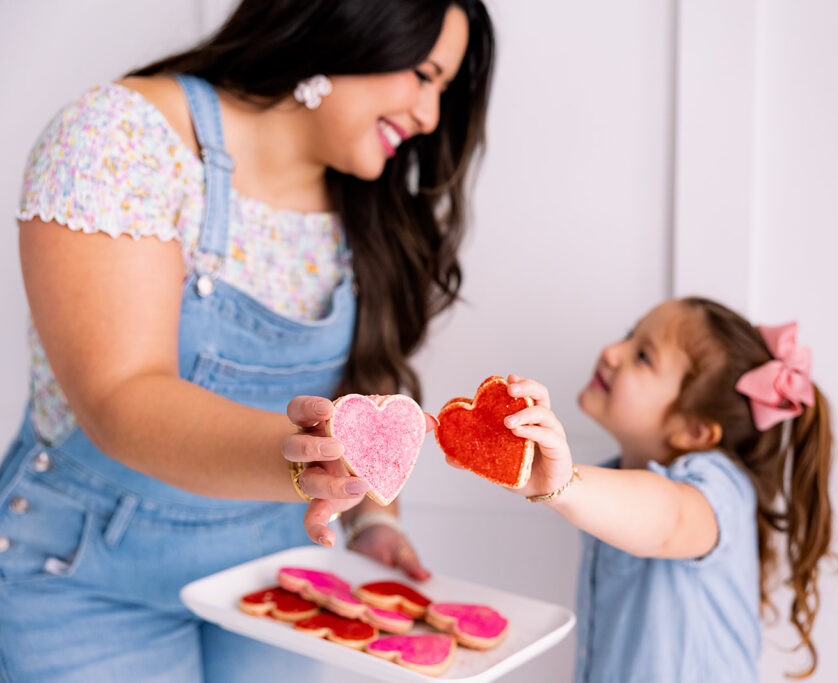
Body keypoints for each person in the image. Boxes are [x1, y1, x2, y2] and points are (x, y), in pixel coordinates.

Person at [1, 0, 494, 680]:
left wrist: (375, 522)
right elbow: (122, 395)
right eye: (424, 73)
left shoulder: (367, 202)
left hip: (275, 578)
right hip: (85, 583)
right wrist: (308, 461)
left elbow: (364, 391)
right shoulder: (120, 139)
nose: (430, 116)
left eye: (443, 89)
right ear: (348, 24)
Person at [472, 297, 834, 682]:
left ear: (694, 430)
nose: (612, 352)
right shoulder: (608, 479)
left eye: (643, 355)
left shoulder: (721, 486)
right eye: (629, 336)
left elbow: (670, 520)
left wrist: (564, 485)